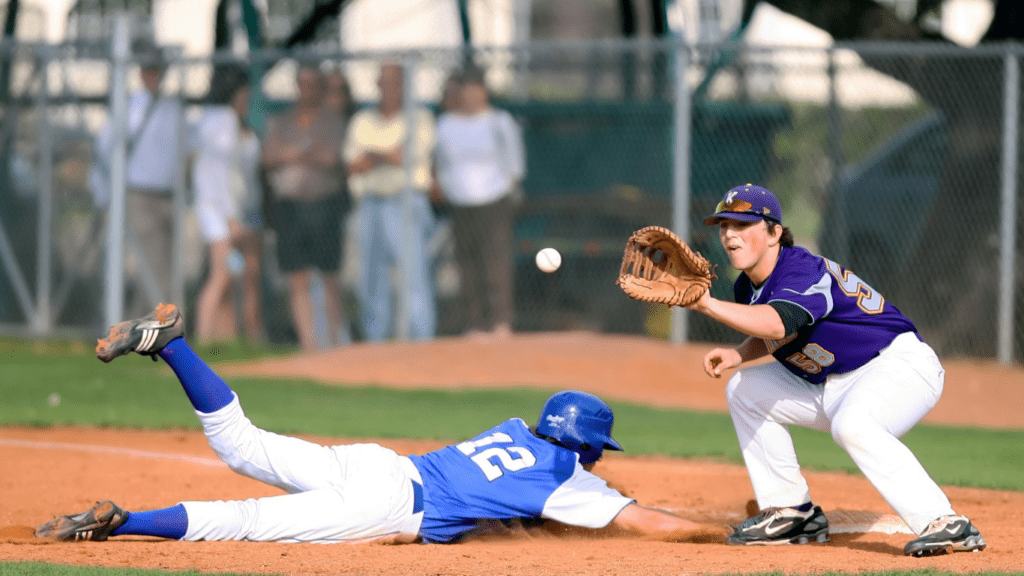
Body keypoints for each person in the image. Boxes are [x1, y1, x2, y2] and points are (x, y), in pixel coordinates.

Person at [36, 303, 726, 545]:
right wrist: (725, 533)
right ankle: (123, 523)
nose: (598, 464)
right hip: (387, 503)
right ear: (583, 447)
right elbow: (650, 524)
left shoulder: (518, 429)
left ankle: (173, 344)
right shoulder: (563, 478)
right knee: (243, 521)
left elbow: (510, 502)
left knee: (240, 444)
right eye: (596, 453)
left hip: (379, 464)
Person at [685, 183, 986, 557]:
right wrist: (739, 355)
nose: (730, 234)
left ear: (775, 232)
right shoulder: (747, 287)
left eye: (743, 224)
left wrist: (706, 305)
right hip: (833, 382)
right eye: (724, 225)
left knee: (853, 425)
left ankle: (945, 522)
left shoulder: (801, 270)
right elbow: (780, 332)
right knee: (744, 388)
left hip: (897, 366)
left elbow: (781, 322)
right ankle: (792, 513)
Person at [89, 39, 189, 317]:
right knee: (153, 264)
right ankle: (154, 325)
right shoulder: (129, 107)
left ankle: (146, 324)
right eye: (149, 70)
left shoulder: (173, 108)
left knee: (164, 265)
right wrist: (103, 192)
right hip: (139, 195)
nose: (153, 76)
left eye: (157, 70)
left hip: (169, 195)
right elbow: (105, 149)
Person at [344, 62, 437, 342]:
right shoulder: (362, 120)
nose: (387, 87)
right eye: (382, 81)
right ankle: (376, 342)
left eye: (394, 81)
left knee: (413, 275)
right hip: (370, 203)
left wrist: (373, 156)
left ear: (404, 85)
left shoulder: (419, 117)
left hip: (406, 201)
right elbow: (353, 165)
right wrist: (386, 155)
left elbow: (406, 157)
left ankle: (420, 340)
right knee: (371, 278)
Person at [434, 66, 525, 340]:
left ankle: (500, 322)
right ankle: (476, 324)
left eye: (475, 90)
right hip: (460, 203)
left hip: (494, 200)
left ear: (484, 91)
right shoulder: (446, 124)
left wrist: (504, 189)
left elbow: (515, 164)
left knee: (495, 261)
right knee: (467, 264)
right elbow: (441, 164)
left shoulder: (499, 122)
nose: (469, 96)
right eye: (464, 90)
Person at [261, 63, 348, 351]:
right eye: (302, 83)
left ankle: (334, 344)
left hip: (323, 206)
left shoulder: (332, 120)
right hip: (290, 208)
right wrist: (303, 152)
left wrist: (292, 154)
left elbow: (330, 157)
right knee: (296, 276)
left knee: (329, 276)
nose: (306, 90)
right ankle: (310, 345)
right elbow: (269, 156)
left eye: (313, 84)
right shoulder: (283, 119)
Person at [192, 63, 264, 345]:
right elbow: (221, 175)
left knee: (242, 277)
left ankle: (233, 340)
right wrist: (232, 217)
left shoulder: (224, 121)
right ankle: (203, 339)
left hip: (239, 210)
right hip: (220, 212)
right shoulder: (222, 121)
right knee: (221, 276)